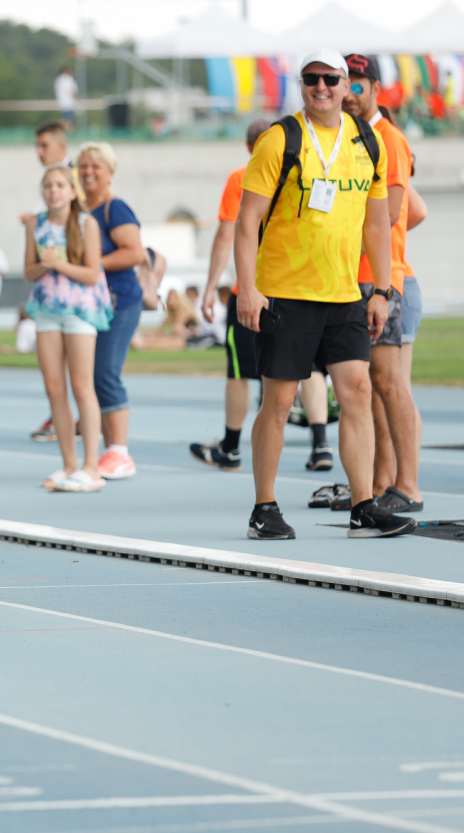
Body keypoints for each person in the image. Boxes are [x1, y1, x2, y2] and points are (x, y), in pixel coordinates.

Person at [235, 48, 414, 540]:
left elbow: (377, 224)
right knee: (279, 401)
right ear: (301, 84)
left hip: (343, 293)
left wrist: (382, 290)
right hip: (285, 293)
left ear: (346, 84)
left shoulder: (367, 141)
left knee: (357, 391)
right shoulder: (280, 139)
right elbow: (247, 222)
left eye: (331, 79)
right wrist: (248, 288)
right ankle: (264, 508)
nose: (322, 87)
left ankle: (362, 506)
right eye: (312, 79)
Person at [344, 53, 424, 512]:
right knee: (371, 386)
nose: (350, 93)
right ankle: (379, 484)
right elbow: (417, 211)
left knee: (390, 384)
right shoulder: (352, 136)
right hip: (353, 276)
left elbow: (394, 212)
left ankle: (408, 486)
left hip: (379, 278)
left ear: (376, 88)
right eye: (346, 83)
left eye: (358, 84)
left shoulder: (388, 138)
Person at [190, 119, 271, 471]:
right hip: (291, 289)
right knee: (301, 370)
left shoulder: (242, 177)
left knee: (239, 371)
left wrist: (210, 288)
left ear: (248, 146)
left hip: (250, 289)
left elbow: (226, 235)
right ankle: (318, 445)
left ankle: (232, 447)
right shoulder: (296, 175)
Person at [27, 164, 112, 493]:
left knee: (81, 385)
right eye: (48, 185)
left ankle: (91, 467)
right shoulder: (35, 224)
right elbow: (29, 271)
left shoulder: (86, 223)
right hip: (46, 309)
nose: (53, 190)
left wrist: (58, 263)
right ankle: (69, 465)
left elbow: (92, 273)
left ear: (73, 191)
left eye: (60, 185)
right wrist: (44, 264)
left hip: (80, 310)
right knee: (54, 388)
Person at [77, 141, 156, 481]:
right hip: (90, 305)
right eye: (84, 166)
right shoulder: (80, 210)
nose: (88, 172)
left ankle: (121, 452)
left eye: (96, 166)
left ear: (110, 173)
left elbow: (135, 252)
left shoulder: (115, 208)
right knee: (92, 377)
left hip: (119, 302)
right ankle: (110, 451)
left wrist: (93, 265)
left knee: (106, 373)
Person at [26, 121, 85, 442]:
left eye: (44, 145)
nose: (39, 151)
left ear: (62, 146)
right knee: (55, 377)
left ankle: (86, 430)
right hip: (48, 292)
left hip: (75, 293)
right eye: (37, 145)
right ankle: (64, 422)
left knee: (80, 377)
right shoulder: (50, 185)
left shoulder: (73, 179)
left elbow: (81, 227)